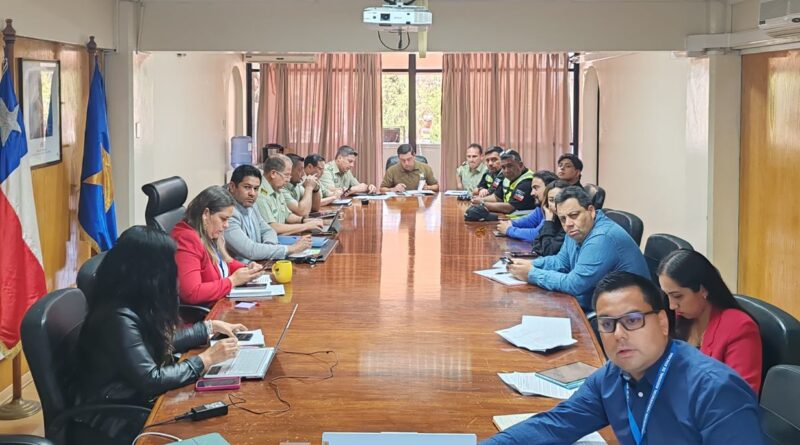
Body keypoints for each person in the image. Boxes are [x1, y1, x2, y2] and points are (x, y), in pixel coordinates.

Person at [480, 272, 763, 445]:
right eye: (607, 324)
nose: (618, 335)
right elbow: (556, 425)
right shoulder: (612, 377)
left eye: (632, 320)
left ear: (663, 323)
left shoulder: (715, 390)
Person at [71, 226, 247, 445]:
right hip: (117, 417)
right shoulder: (116, 317)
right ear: (148, 271)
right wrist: (206, 359)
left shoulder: (129, 299)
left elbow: (151, 343)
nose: (173, 272)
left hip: (137, 399)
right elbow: (151, 380)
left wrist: (209, 328)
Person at [508, 186, 649, 310]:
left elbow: (574, 284)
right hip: (595, 299)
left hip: (625, 312)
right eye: (562, 218)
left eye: (574, 215)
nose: (568, 223)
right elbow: (561, 262)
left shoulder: (602, 237)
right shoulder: (576, 228)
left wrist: (531, 274)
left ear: (591, 211)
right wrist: (531, 264)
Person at [658, 249, 763, 394]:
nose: (672, 305)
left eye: (677, 296)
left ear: (703, 290)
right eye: (667, 295)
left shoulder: (739, 327)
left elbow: (740, 397)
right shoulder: (678, 319)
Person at [172, 185, 265, 306]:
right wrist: (232, 281)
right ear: (206, 213)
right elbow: (192, 293)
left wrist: (247, 268)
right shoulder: (186, 239)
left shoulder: (207, 231)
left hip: (221, 304)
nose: (226, 225)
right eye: (223, 219)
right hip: (206, 316)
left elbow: (222, 263)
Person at [225, 164, 311, 263]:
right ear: (232, 186)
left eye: (256, 188)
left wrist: (269, 247)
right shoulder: (227, 213)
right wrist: (291, 249)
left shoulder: (251, 205)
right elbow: (250, 250)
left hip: (259, 264)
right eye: (247, 187)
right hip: (241, 271)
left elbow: (268, 230)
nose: (252, 193)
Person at [256, 155, 325, 235]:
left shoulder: (276, 188)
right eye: (286, 175)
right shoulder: (261, 193)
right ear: (273, 173)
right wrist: (306, 226)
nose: (288, 179)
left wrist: (303, 220)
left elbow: (287, 215)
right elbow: (272, 227)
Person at [496, 170, 558, 241]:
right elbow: (528, 221)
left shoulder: (555, 209)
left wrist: (509, 230)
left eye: (536, 188)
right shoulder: (541, 207)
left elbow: (536, 235)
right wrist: (510, 223)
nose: (532, 193)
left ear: (549, 188)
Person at [471, 150, 535, 214]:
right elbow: (497, 197)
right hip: (507, 218)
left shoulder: (527, 182)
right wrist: (479, 200)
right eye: (503, 167)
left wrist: (482, 203)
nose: (506, 171)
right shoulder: (507, 177)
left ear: (520, 165)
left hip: (522, 219)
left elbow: (510, 207)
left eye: (510, 166)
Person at [530, 179, 569, 257]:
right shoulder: (555, 218)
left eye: (560, 199)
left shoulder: (568, 223)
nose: (555, 204)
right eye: (551, 200)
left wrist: (548, 221)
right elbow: (536, 243)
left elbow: (548, 251)